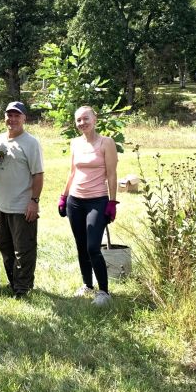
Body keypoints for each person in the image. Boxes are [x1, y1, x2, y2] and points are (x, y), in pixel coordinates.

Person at [58, 106, 119, 306]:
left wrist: (112, 201)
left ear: (95, 119)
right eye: (78, 120)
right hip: (75, 202)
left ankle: (104, 292)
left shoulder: (106, 143)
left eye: (86, 118)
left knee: (93, 247)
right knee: (81, 246)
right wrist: (64, 196)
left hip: (97, 201)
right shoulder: (74, 143)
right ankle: (87, 285)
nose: (82, 123)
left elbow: (111, 174)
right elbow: (72, 172)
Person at [0, 101, 44, 298]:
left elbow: (38, 175)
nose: (12, 119)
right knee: (3, 244)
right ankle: (14, 282)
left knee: (24, 248)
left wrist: (34, 201)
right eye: (9, 115)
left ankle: (23, 289)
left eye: (16, 115)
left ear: (24, 118)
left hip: (22, 205)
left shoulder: (31, 143)